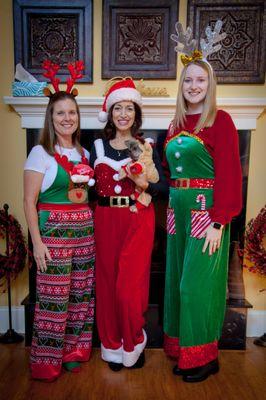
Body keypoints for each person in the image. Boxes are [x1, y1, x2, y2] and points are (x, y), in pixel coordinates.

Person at [163, 22, 242, 383]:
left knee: (196, 286)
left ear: (210, 85)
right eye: (188, 80)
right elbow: (167, 170)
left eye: (200, 80)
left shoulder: (220, 121)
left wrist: (219, 220)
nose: (194, 86)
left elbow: (229, 175)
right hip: (176, 212)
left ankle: (203, 356)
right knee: (175, 280)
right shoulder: (175, 123)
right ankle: (183, 347)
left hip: (204, 212)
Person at [90, 78, 168, 371]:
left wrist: (140, 181)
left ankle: (134, 341)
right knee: (108, 284)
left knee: (129, 288)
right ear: (110, 113)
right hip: (106, 220)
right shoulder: (96, 146)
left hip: (137, 218)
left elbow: (162, 191)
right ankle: (112, 346)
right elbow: (87, 186)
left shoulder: (146, 146)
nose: (123, 114)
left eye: (129, 109)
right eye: (118, 108)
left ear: (136, 114)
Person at [23, 89, 95, 382]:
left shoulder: (84, 153)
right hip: (53, 236)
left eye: (72, 112)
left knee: (79, 294)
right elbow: (29, 201)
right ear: (50, 118)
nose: (68, 118)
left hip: (84, 234)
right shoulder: (40, 153)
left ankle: (72, 352)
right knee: (54, 298)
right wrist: (37, 243)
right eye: (61, 113)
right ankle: (46, 361)